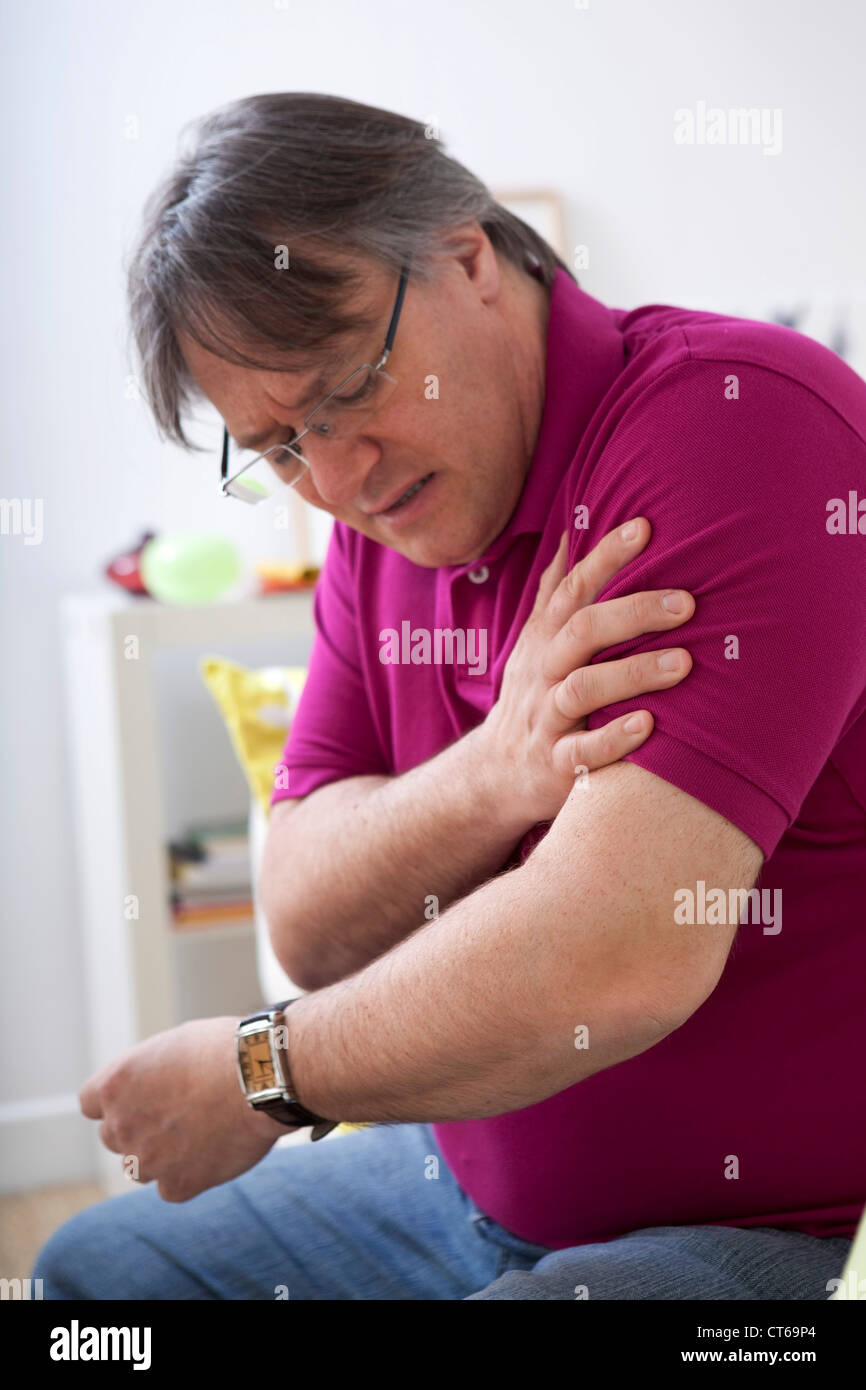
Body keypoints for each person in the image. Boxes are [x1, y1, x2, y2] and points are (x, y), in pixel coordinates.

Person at [35, 92, 864, 1300]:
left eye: (342, 392)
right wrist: (492, 773)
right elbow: (310, 925)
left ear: (467, 255)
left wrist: (263, 1075)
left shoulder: (735, 424)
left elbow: (615, 956)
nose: (331, 479)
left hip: (784, 1232)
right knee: (92, 1280)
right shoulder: (383, 516)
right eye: (275, 447)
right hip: (458, 1191)